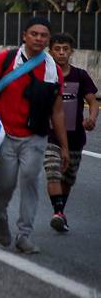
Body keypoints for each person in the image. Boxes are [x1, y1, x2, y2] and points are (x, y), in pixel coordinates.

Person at [0, 17, 67, 254]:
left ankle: (24, 234)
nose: (39, 38)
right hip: (6, 135)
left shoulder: (53, 70)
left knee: (30, 181)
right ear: (24, 36)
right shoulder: (6, 59)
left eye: (44, 35)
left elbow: (57, 111)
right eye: (34, 34)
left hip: (35, 137)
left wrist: (64, 147)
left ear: (48, 40)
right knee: (5, 185)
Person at [43, 33, 97, 232]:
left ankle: (60, 211)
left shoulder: (80, 75)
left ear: (71, 51)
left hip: (75, 137)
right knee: (53, 172)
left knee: (67, 179)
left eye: (65, 49)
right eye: (57, 49)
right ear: (50, 51)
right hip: (50, 136)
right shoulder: (46, 75)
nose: (61, 53)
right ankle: (57, 212)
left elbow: (93, 101)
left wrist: (91, 118)